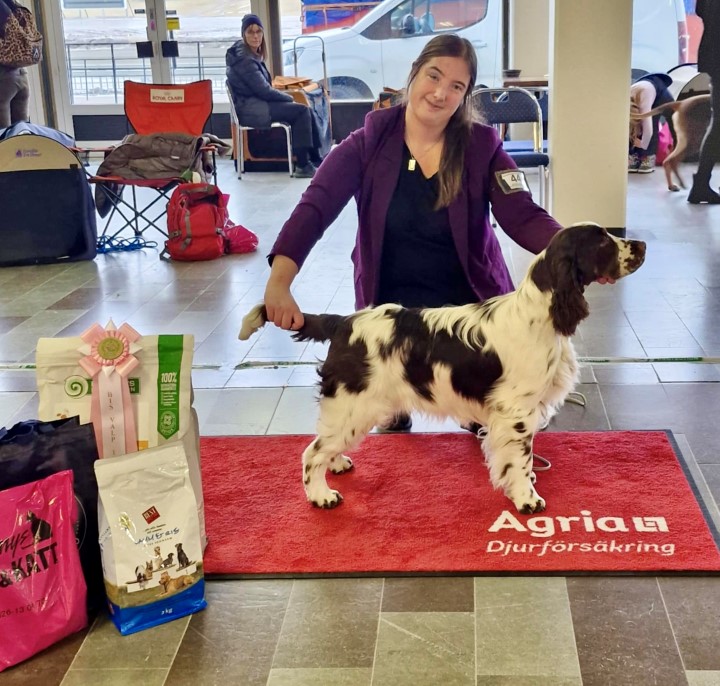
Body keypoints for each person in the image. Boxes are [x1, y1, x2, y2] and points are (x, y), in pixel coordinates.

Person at [262, 34, 588, 432]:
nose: (440, 93)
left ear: (466, 96)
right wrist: (280, 282)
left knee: (494, 425)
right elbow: (315, 207)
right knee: (390, 433)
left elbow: (523, 215)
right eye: (434, 76)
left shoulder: (482, 145)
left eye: (456, 86)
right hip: (393, 316)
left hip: (470, 317)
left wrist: (577, 250)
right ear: (414, 74)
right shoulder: (367, 143)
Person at [226, 14, 322, 179]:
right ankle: (303, 164)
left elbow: (263, 89)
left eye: (258, 32)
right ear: (244, 35)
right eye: (250, 32)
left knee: (303, 109)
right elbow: (264, 90)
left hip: (255, 105)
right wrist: (289, 98)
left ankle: (314, 159)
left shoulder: (246, 55)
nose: (255, 36)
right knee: (301, 111)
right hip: (252, 109)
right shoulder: (245, 61)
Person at [688, 0, 720, 204]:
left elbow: (701, 10)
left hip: (714, 56)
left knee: (718, 124)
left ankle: (701, 184)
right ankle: (700, 184)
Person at [628, 73, 675, 174]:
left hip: (660, 93)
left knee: (652, 122)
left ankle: (648, 157)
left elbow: (648, 130)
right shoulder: (624, 103)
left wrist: (642, 145)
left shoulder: (644, 103)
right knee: (630, 129)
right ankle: (633, 156)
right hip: (643, 88)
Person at [0, 0, 30, 129]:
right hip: (20, 75)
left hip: (3, 79)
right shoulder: (10, 4)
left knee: (4, 140)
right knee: (20, 138)